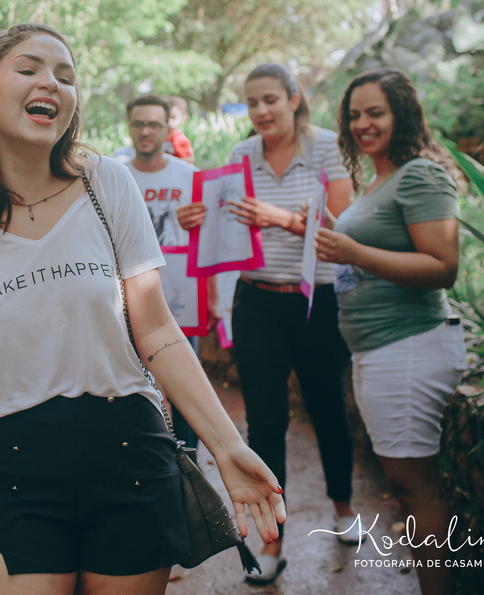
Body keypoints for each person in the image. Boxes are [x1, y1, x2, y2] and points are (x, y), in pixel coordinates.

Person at [0, 23, 284, 594]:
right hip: (15, 465)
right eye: (29, 68)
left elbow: (157, 329)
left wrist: (227, 445)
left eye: (65, 76)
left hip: (127, 450)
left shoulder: (108, 184)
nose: (51, 82)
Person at [315, 67, 462, 595]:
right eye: (354, 114)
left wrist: (353, 252)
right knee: (407, 487)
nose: (361, 123)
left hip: (409, 347)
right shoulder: (381, 178)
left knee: (414, 489)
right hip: (380, 351)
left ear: (401, 114)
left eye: (375, 112)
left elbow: (443, 266)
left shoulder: (419, 175)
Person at [218, 62, 358, 584]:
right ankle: (272, 542)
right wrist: (199, 219)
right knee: (265, 423)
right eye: (252, 103)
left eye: (270, 99)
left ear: (294, 99)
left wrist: (281, 219)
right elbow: (222, 226)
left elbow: (341, 225)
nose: (261, 112)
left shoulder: (325, 148)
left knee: (328, 409)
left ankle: (344, 509)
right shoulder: (239, 157)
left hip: (316, 301)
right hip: (255, 301)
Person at [122, 94, 214, 454]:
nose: (146, 131)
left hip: (179, 303)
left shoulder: (190, 177)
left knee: (185, 384)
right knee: (132, 387)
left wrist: (213, 302)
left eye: (154, 124)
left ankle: (190, 464)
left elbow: (209, 244)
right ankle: (143, 459)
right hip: (125, 303)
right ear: (129, 126)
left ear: (167, 128)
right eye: (139, 124)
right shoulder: (115, 178)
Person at [166, 95, 195, 165]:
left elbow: (188, 161)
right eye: (166, 117)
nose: (169, 121)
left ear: (183, 119)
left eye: (173, 117)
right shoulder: (162, 137)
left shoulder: (179, 139)